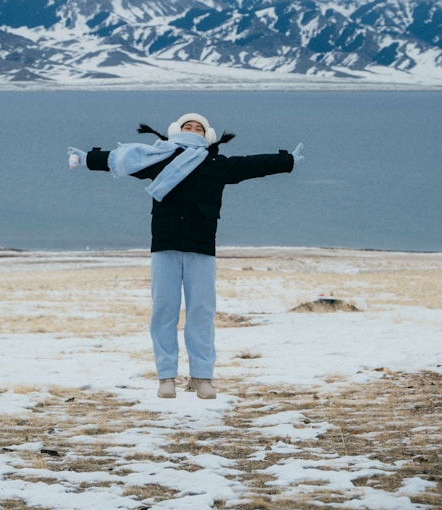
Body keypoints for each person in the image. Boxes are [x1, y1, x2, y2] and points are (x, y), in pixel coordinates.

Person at [68, 111, 303, 400]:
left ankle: (201, 377)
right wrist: (88, 158)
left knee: (201, 312)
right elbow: (126, 159)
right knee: (164, 311)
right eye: (187, 126)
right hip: (165, 244)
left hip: (201, 247)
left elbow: (252, 165)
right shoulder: (159, 159)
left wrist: (286, 161)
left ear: (208, 136)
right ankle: (166, 378)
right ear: (174, 132)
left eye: (199, 128)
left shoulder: (216, 164)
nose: (193, 130)